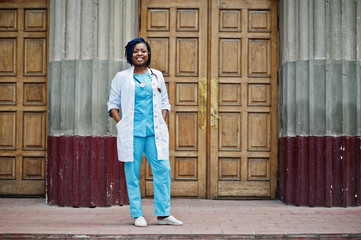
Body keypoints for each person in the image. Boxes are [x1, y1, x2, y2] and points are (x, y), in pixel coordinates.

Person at [107, 38, 183, 227]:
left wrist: (161, 120)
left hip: (154, 133)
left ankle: (163, 214)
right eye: (135, 51)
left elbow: (165, 102)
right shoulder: (121, 77)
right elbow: (112, 105)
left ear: (148, 54)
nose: (139, 54)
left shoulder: (156, 75)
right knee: (132, 173)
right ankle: (137, 214)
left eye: (143, 51)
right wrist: (122, 123)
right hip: (131, 133)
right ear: (130, 55)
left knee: (163, 170)